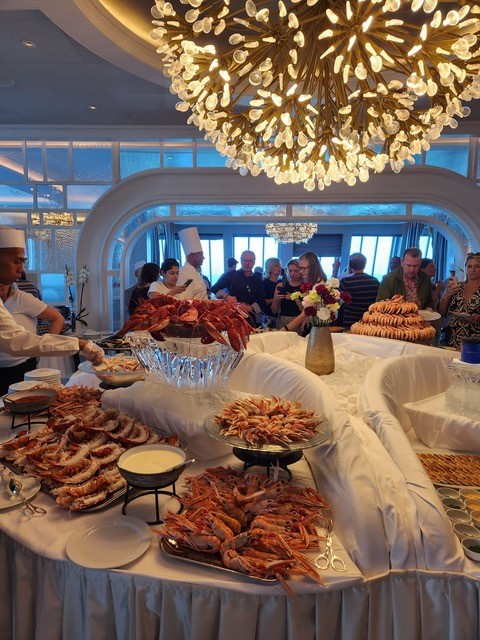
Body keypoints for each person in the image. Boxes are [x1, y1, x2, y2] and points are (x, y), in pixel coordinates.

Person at [0, 226, 104, 395]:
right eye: (16, 261)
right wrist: (80, 344)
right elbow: (15, 340)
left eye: (23, 262)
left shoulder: (22, 296)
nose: (22, 269)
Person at [0, 280, 65, 387]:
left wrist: (45, 346)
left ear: (10, 282)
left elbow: (57, 318)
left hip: (22, 365)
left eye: (3, 284)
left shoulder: (22, 298)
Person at [211, 250, 266, 326]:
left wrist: (251, 307)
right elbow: (214, 288)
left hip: (250, 317)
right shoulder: (231, 275)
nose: (247, 263)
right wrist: (226, 296)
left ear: (254, 262)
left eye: (250, 261)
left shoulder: (258, 280)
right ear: (241, 261)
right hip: (232, 316)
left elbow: (262, 300)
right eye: (244, 260)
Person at [438, 252, 480, 349]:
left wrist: (478, 317)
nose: (473, 269)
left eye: (477, 266)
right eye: (469, 266)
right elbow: (442, 312)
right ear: (466, 269)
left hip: (475, 338)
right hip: (453, 336)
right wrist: (446, 295)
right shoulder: (458, 287)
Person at [279, 251, 327, 333]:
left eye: (303, 268)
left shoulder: (318, 285)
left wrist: (285, 329)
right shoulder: (312, 282)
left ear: (313, 267)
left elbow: (305, 312)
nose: (301, 271)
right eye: (300, 268)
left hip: (319, 326)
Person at [337, 253, 380, 329]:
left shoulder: (346, 282)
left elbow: (334, 293)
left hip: (350, 322)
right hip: (368, 321)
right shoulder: (375, 281)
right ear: (365, 264)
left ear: (350, 265)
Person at [270, 259, 303, 332]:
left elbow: (306, 311)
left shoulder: (305, 287)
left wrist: (295, 299)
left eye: (296, 271)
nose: (292, 274)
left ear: (301, 270)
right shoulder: (281, 285)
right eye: (290, 271)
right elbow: (274, 311)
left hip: (300, 322)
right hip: (283, 321)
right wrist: (276, 300)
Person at [177, 227, 207, 299]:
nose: (203, 257)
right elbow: (183, 300)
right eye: (201, 254)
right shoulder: (184, 274)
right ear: (192, 255)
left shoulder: (195, 271)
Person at [262, 257, 283, 321]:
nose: (280, 268)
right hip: (268, 315)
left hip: (281, 314)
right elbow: (262, 301)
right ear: (270, 268)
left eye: (280, 265)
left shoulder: (282, 282)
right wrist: (275, 299)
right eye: (277, 266)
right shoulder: (264, 283)